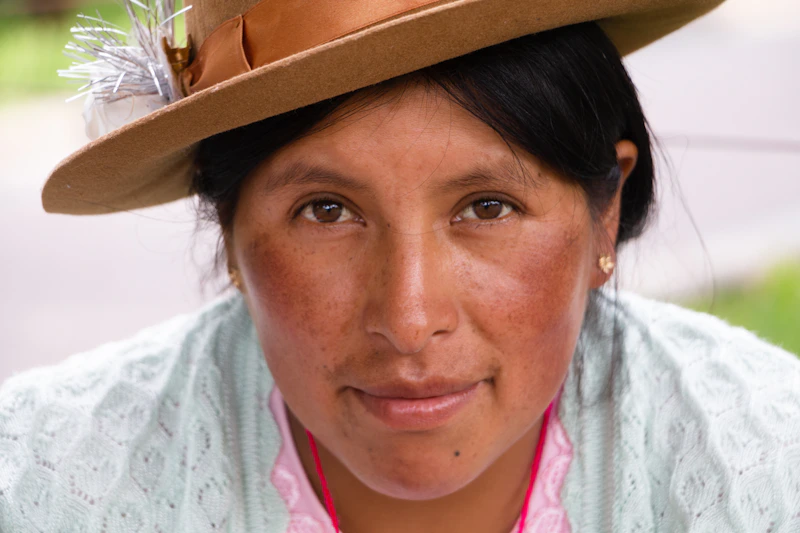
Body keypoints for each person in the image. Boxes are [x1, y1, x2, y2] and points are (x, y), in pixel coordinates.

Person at [1, 0, 798, 532]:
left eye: (487, 206)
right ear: (229, 229)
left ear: (606, 213)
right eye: (326, 210)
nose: (410, 318)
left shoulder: (763, 470)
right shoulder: (41, 477)